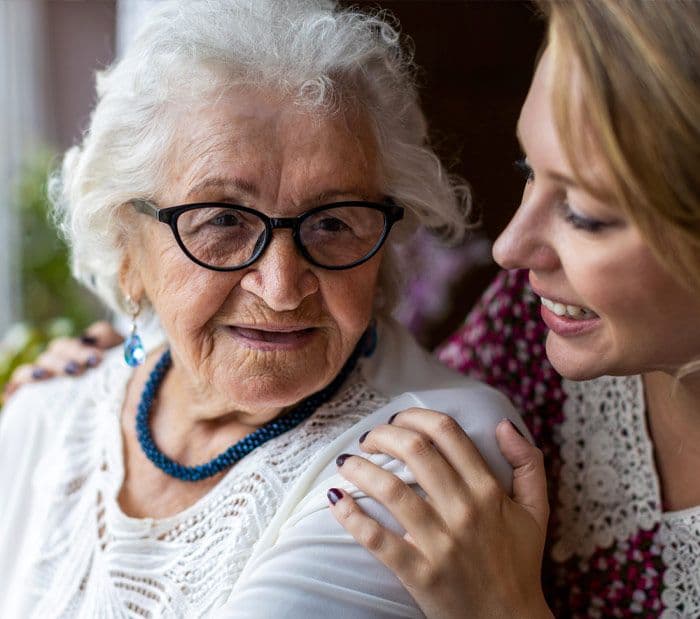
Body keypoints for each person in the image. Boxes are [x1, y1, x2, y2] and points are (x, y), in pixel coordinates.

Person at [0, 1, 530, 617]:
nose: (281, 288)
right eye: (222, 219)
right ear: (126, 249)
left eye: (332, 222)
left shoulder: (431, 451)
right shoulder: (42, 417)